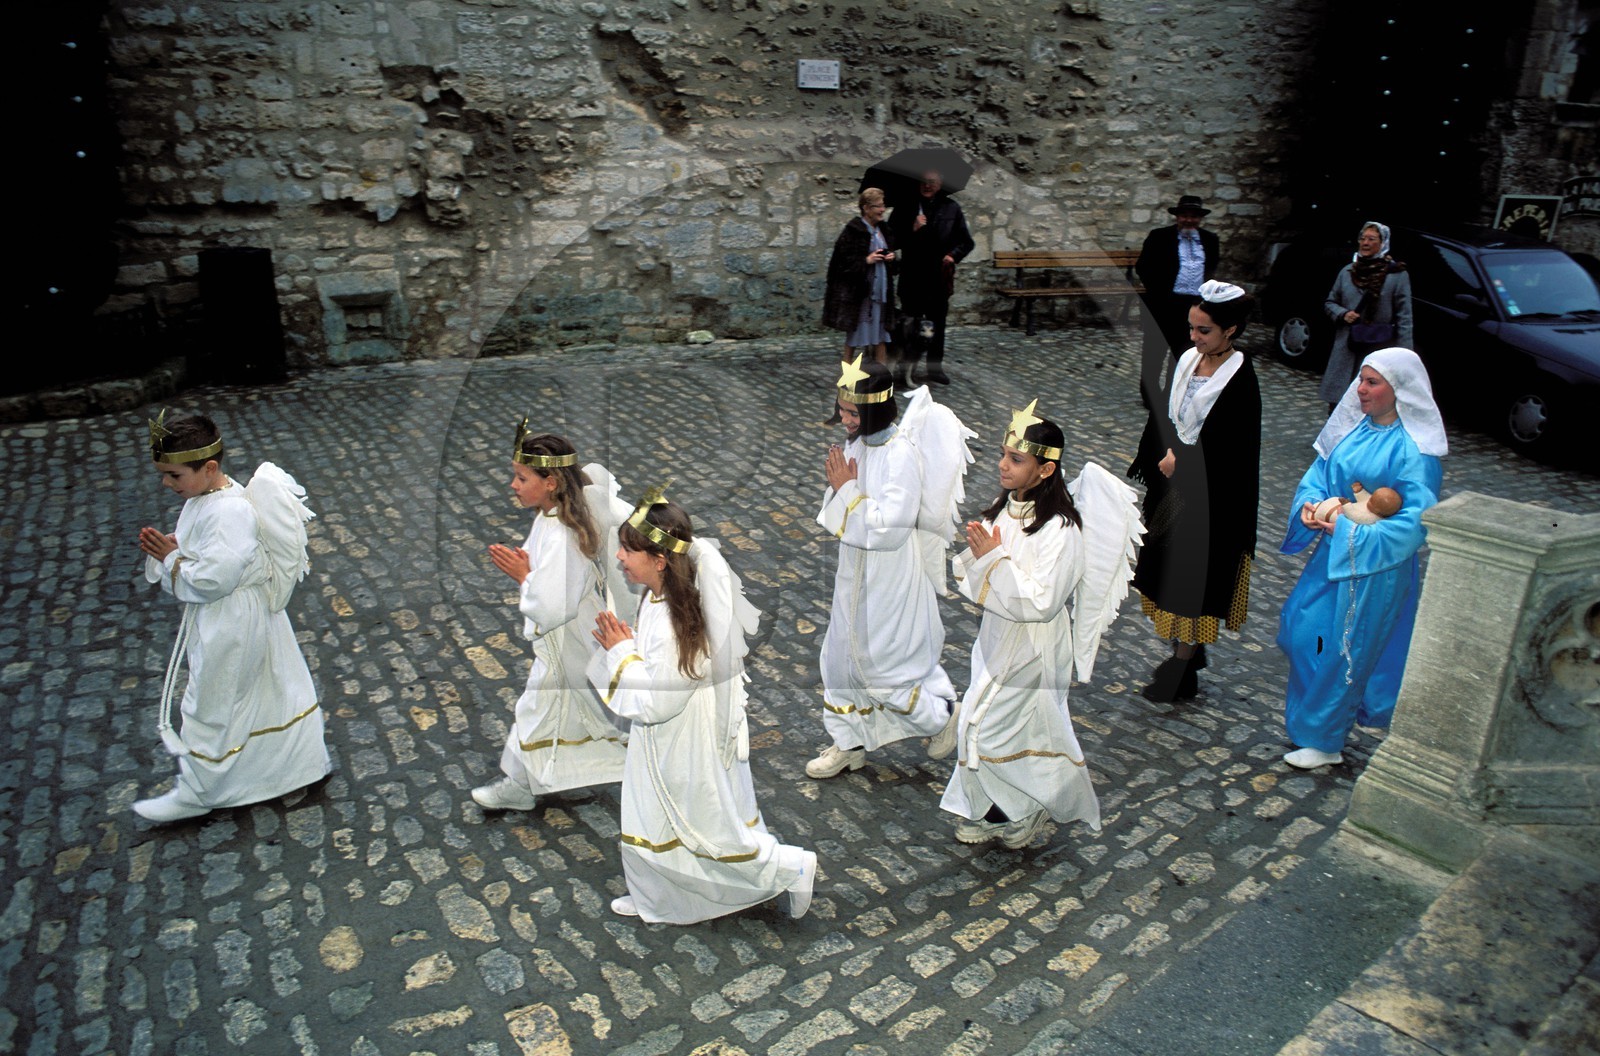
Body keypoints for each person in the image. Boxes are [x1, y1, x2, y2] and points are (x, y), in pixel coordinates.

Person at [588, 488, 817, 923]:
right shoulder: (654, 595)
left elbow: (659, 702)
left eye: (628, 550)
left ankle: (791, 868)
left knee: (700, 824)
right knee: (654, 815)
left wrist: (621, 652)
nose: (619, 557)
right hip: (659, 739)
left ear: (658, 560)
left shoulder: (681, 620)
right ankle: (656, 895)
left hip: (679, 740)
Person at [941, 402, 1143, 849]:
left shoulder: (1062, 530)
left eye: (1016, 459)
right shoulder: (1003, 511)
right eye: (1002, 455)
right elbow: (973, 579)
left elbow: (1043, 602)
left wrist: (993, 560)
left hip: (1034, 650)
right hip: (996, 641)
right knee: (1006, 731)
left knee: (985, 728)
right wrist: (981, 558)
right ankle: (997, 810)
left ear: (1046, 469)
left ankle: (1028, 807)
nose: (1002, 465)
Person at [134, 411, 331, 822]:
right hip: (238, 614)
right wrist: (180, 548)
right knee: (265, 689)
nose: (167, 484)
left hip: (232, 620)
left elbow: (213, 580)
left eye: (173, 476)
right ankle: (291, 769)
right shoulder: (205, 498)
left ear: (209, 468)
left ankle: (197, 791)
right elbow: (213, 555)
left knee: (212, 699)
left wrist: (171, 558)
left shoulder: (229, 511)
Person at [1278, 348, 1446, 769]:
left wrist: (1348, 528)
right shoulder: (1353, 429)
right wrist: (1310, 506)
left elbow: (1416, 520)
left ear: (1399, 390)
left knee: (1344, 649)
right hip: (1331, 557)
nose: (1361, 390)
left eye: (1372, 382)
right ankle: (1325, 721)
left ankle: (1325, 739)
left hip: (1376, 569)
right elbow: (1317, 474)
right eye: (1362, 381)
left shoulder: (1415, 452)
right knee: (1299, 629)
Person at [808, 355, 970, 779]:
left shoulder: (902, 456)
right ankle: (849, 742)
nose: (844, 420)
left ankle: (941, 717)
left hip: (890, 577)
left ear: (875, 409)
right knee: (842, 659)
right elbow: (841, 514)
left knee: (882, 666)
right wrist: (844, 491)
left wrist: (846, 490)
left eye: (851, 412)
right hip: (854, 571)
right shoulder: (857, 444)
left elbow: (889, 530)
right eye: (841, 410)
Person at [471, 423, 630, 812]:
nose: (513, 485)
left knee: (538, 708)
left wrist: (525, 577)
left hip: (568, 637)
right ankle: (534, 780)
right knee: (572, 708)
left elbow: (554, 605)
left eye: (522, 477)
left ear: (552, 482)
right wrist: (530, 570)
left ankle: (519, 787)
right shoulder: (551, 516)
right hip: (574, 634)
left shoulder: (563, 532)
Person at [1127, 280, 1261, 702]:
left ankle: (1182, 669)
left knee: (1191, 583)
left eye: (1204, 331)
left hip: (1211, 506)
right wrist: (1162, 457)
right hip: (1171, 492)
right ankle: (1187, 650)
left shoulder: (1240, 381)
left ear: (1231, 331)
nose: (1193, 337)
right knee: (1163, 572)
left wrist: (1182, 466)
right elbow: (1166, 414)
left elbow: (1232, 454)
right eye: (1192, 328)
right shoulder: (1188, 360)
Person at [887, 169, 974, 385]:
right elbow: (890, 240)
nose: (927, 185)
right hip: (912, 277)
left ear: (940, 183)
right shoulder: (905, 207)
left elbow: (966, 242)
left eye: (932, 182)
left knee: (938, 325)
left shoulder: (952, 208)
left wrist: (953, 256)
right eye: (924, 181)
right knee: (908, 327)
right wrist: (912, 228)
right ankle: (906, 370)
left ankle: (935, 368)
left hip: (938, 278)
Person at [1135, 194, 1221, 408]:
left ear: (1200, 219)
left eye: (1193, 217)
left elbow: (1211, 269)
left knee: (1183, 353)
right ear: (1177, 217)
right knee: (1154, 353)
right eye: (1184, 215)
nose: (1188, 220)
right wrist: (1159, 292)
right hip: (1164, 304)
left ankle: (1171, 394)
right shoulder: (1159, 237)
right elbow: (1143, 267)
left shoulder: (1210, 240)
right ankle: (1150, 395)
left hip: (1193, 307)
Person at [1317, 222, 1414, 407]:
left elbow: (1405, 318)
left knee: (1368, 405)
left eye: (1371, 239)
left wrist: (1405, 355)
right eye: (1362, 238)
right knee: (1338, 405)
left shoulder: (1397, 275)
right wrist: (1343, 314)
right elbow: (1330, 302)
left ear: (1383, 243)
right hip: (1347, 347)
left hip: (1378, 347)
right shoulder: (1347, 272)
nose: (1365, 243)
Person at [822, 186, 898, 368]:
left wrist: (892, 258)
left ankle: (882, 378)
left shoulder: (884, 230)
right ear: (866, 208)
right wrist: (866, 260)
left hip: (880, 293)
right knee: (855, 338)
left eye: (883, 205)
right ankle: (846, 377)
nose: (882, 210)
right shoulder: (853, 231)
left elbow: (895, 266)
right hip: (861, 295)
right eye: (878, 206)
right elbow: (841, 265)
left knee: (880, 336)